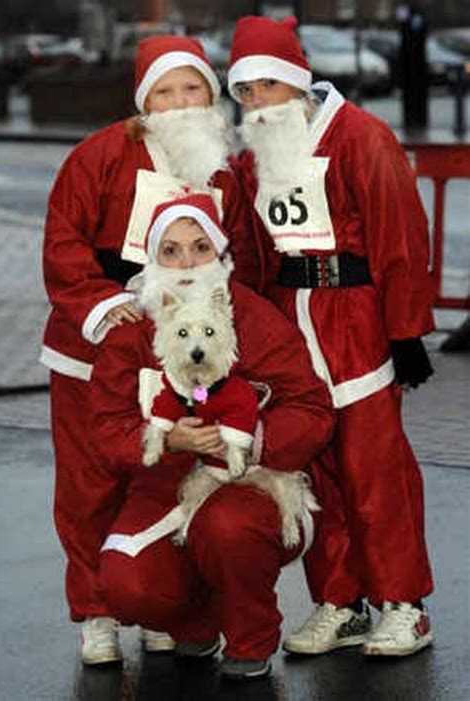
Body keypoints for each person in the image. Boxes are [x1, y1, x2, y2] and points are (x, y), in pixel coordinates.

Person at [40, 34, 256, 663]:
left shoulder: (224, 172)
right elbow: (63, 242)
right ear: (144, 100)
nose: (181, 102)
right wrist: (102, 305)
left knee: (168, 479)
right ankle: (96, 610)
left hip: (179, 362)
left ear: (212, 96)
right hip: (94, 348)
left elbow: (238, 257)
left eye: (193, 88)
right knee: (89, 486)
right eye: (166, 91)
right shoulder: (100, 155)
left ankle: (155, 600)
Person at [227, 15, 435, 657]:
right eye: (245, 92)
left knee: (375, 469)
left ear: (296, 78)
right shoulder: (249, 160)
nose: (258, 103)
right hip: (292, 322)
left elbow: (400, 235)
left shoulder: (360, 137)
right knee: (315, 474)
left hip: (356, 319)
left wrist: (406, 331)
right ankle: (340, 601)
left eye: (268, 86)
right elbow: (252, 251)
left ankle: (405, 604)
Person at [89, 192, 335, 680]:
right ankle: (193, 617)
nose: (186, 262)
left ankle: (250, 638)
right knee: (126, 583)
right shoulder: (134, 324)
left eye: (200, 247)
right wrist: (166, 440)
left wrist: (245, 439)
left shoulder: (251, 313)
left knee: (228, 529)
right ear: (151, 258)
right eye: (171, 250)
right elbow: (105, 426)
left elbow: (313, 408)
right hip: (165, 488)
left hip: (256, 484)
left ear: (219, 252)